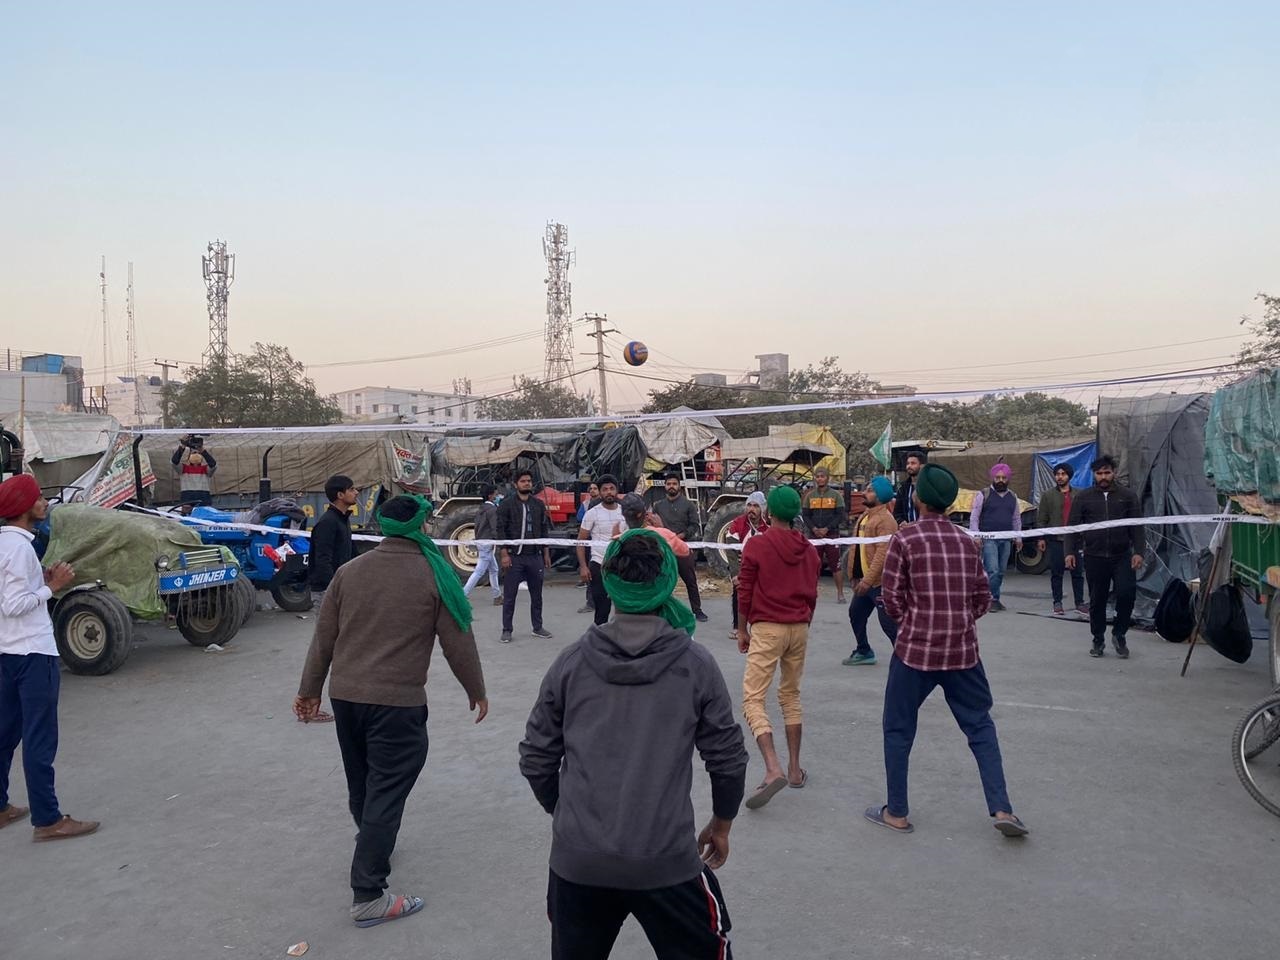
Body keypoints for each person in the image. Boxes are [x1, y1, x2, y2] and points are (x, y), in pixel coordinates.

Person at [520, 529, 747, 960]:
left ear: (609, 583)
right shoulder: (695, 664)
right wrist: (722, 824)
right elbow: (728, 759)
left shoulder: (571, 662)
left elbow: (536, 758)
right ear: (667, 583)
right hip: (666, 861)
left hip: (577, 863)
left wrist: (568, 814)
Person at [295, 494, 488, 928]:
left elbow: (323, 639)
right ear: (422, 526)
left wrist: (310, 690)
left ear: (381, 525)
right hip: (396, 702)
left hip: (347, 697)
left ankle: (372, 842)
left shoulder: (349, 572)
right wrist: (476, 689)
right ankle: (368, 894)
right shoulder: (433, 574)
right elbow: (457, 641)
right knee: (388, 786)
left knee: (362, 779)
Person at [866, 464, 1028, 839]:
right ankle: (1002, 808)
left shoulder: (904, 542)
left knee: (898, 728)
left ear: (918, 499)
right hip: (962, 653)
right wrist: (958, 621)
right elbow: (982, 599)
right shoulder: (966, 542)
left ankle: (897, 812)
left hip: (914, 653)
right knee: (980, 726)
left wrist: (916, 622)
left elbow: (891, 601)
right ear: (952, 502)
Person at [0, 474, 99, 841]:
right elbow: (14, 605)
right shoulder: (21, 548)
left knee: (5, 733)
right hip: (32, 652)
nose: (44, 503)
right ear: (25, 509)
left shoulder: (4, 544)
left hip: (8, 652)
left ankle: (1, 806)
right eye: (38, 499)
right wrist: (51, 587)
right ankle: (48, 819)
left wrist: (39, 580)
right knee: (40, 738)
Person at [736, 486, 819, 810]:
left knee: (754, 698)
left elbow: (745, 591)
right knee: (790, 695)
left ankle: (772, 768)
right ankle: (795, 770)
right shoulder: (809, 550)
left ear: (769, 513)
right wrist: (804, 621)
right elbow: (812, 592)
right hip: (799, 627)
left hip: (768, 627)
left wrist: (742, 630)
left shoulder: (757, 545)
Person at [1065, 455, 1145, 659]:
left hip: (1122, 556)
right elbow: (1073, 526)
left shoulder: (1128, 496)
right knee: (1097, 600)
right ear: (1094, 474)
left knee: (1126, 595)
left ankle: (1119, 635)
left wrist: (1138, 552)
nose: (1103, 477)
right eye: (1099, 473)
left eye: (1107, 472)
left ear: (1114, 473)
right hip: (1094, 556)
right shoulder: (1083, 497)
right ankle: (1098, 639)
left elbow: (1137, 526)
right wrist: (1070, 552)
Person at [842, 476, 899, 666]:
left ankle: (907, 659)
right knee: (856, 614)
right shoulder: (865, 516)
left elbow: (882, 555)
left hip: (879, 583)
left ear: (881, 496)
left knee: (890, 625)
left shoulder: (886, 520)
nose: (865, 493)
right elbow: (856, 548)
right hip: (865, 582)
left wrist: (867, 581)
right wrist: (854, 575)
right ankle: (864, 650)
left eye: (870, 490)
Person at [496, 470, 554, 643]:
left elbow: (544, 530)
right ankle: (507, 630)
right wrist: (504, 553)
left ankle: (537, 627)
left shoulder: (538, 505)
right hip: (514, 558)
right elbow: (500, 529)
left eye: (529, 481)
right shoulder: (506, 504)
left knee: (537, 595)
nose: (527, 483)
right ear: (516, 484)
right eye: (523, 481)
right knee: (510, 596)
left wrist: (546, 552)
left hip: (534, 557)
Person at [650, 473, 708, 622]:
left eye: (674, 484)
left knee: (690, 581)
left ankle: (698, 610)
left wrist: (679, 537)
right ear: (665, 486)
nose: (671, 486)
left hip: (682, 548)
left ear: (679, 486)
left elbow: (694, 525)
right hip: (663, 550)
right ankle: (658, 611)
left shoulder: (688, 505)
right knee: (661, 581)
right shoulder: (658, 506)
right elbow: (652, 525)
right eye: (668, 484)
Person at [968, 463, 1022, 612]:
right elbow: (974, 517)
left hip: (1006, 539)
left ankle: (995, 598)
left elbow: (1016, 518)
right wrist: (976, 535)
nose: (1000, 480)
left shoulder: (1013, 496)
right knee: (993, 570)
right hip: (989, 538)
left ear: (1008, 479)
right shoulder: (983, 494)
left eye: (1003, 478)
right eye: (997, 477)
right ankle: (988, 599)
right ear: (993, 478)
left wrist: (1019, 537)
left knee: (1002, 571)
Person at [1035, 463, 1087, 616]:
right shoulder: (1048, 495)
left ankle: (1079, 603)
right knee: (1056, 573)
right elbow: (1042, 518)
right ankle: (1057, 602)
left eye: (1063, 474)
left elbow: (1086, 517)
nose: (1060, 477)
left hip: (1076, 540)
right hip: (1056, 540)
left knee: (1077, 573)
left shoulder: (1079, 494)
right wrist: (1041, 538)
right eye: (1057, 474)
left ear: (1069, 476)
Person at [577, 475, 626, 626]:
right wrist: (583, 567)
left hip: (622, 566)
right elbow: (580, 542)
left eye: (612, 488)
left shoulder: (625, 512)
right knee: (602, 610)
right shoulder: (592, 513)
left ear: (617, 490)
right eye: (605, 489)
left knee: (624, 608)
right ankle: (599, 642)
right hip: (599, 565)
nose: (609, 492)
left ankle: (623, 641)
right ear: (599, 492)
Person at [725, 491, 768, 639]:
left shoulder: (768, 526)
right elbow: (730, 550)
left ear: (762, 508)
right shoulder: (737, 523)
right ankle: (738, 627)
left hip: (763, 568)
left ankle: (761, 626)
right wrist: (735, 574)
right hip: (742, 567)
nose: (751, 509)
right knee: (738, 593)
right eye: (749, 505)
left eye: (756, 506)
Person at [801, 467, 847, 602]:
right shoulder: (809, 496)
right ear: (815, 478)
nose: (820, 478)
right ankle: (811, 593)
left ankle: (840, 593)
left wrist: (827, 528)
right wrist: (814, 529)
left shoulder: (835, 496)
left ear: (827, 478)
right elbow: (806, 515)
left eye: (822, 476)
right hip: (814, 536)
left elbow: (840, 515)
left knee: (836, 565)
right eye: (817, 476)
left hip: (832, 535)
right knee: (813, 565)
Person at [310, 474, 358, 603]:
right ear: (340, 495)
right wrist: (334, 587)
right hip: (328, 590)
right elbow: (323, 559)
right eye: (352, 489)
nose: (356, 492)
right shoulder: (328, 522)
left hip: (341, 586)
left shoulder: (343, 520)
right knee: (328, 624)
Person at [462, 484, 503, 606]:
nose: (497, 496)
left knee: (494, 569)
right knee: (479, 572)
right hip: (488, 542)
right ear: (490, 496)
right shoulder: (492, 510)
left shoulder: (481, 509)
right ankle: (463, 595)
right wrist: (498, 541)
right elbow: (494, 527)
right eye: (495, 494)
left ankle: (497, 596)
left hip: (481, 541)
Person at [575, 482, 601, 615]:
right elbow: (580, 517)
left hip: (604, 544)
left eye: (595, 488)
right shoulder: (586, 504)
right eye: (590, 489)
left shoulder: (610, 505)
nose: (592, 491)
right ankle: (591, 602)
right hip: (590, 542)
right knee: (591, 573)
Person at [171, 434, 217, 506]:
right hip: (187, 499)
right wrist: (183, 446)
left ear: (201, 456)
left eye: (198, 453)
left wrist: (202, 450)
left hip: (203, 499)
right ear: (189, 456)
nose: (195, 454)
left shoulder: (206, 470)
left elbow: (213, 464)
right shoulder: (183, 469)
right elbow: (174, 461)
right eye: (193, 453)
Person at [894, 452, 925, 525]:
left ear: (922, 466)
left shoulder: (929, 486)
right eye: (908, 463)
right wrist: (901, 521)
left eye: (913, 463)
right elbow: (897, 512)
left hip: (926, 528)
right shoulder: (903, 488)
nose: (909, 466)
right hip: (908, 530)